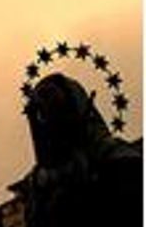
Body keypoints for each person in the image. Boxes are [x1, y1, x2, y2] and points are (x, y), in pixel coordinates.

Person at [22, 73, 142, 227]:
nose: (49, 117)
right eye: (42, 112)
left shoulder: (115, 154)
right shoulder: (37, 183)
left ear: (76, 105)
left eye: (54, 103)